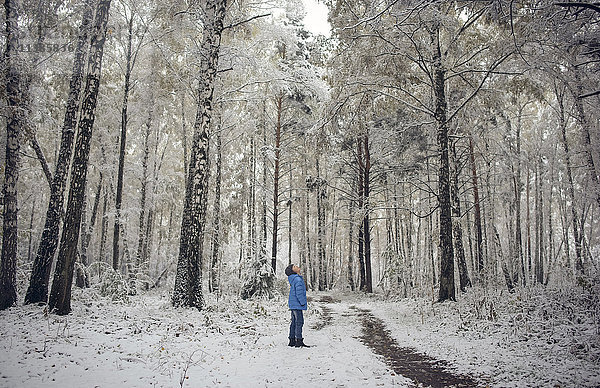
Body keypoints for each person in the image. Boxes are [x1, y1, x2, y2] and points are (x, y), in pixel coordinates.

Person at [285, 263, 310, 348]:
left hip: (293, 304)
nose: (297, 266)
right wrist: (303, 302)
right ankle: (298, 341)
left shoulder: (293, 279)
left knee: (294, 322)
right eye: (295, 267)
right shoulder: (298, 280)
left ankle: (292, 340)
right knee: (299, 322)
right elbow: (299, 293)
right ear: (293, 271)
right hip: (297, 304)